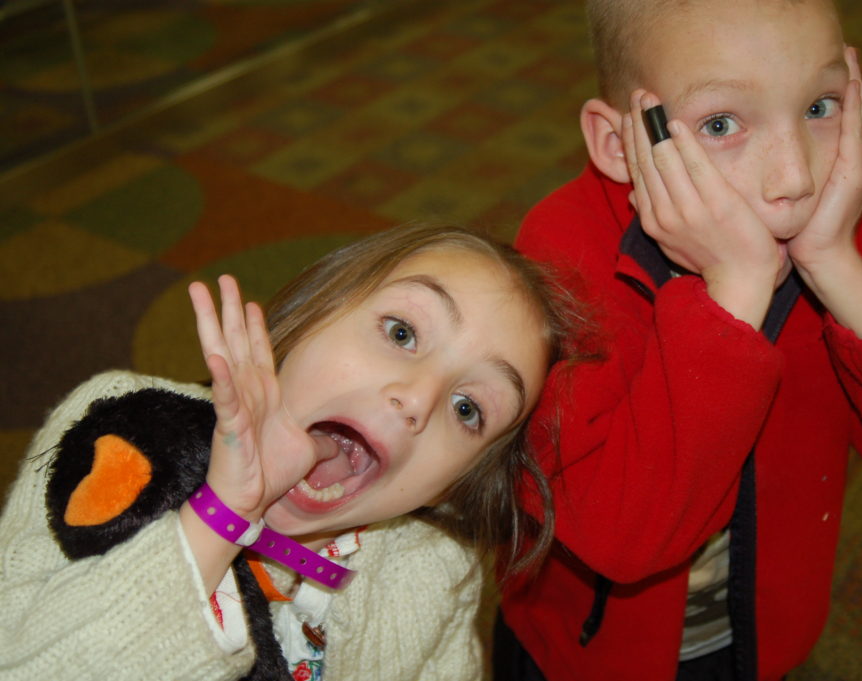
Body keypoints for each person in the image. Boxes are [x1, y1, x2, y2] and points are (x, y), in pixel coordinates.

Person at [493, 0, 862, 680]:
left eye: (820, 107)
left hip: (761, 645)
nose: (795, 178)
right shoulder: (563, 254)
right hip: (580, 658)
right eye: (721, 123)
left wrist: (837, 265)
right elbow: (626, 533)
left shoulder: (844, 232)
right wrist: (735, 295)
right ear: (620, 143)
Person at [0, 224, 582, 681]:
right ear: (312, 312)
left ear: (456, 482)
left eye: (467, 409)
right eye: (401, 333)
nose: (418, 399)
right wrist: (218, 520)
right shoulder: (117, 427)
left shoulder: (433, 569)